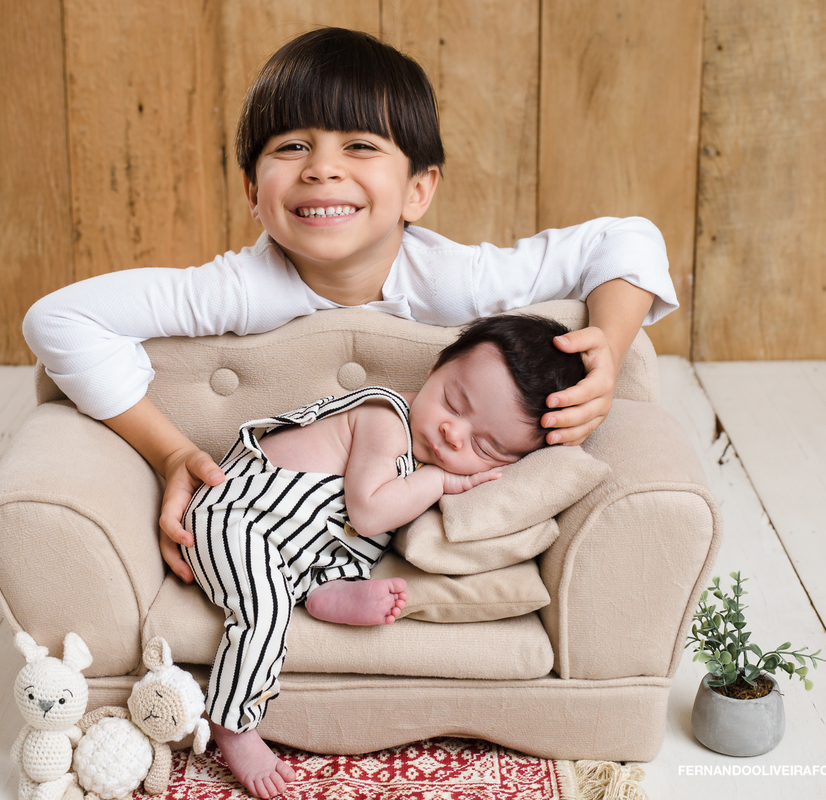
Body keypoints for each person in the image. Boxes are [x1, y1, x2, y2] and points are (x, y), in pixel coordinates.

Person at [23, 30, 674, 610]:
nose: (322, 168)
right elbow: (57, 320)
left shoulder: (456, 283)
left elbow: (627, 237)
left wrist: (608, 355)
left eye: (360, 145)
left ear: (418, 190)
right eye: (292, 145)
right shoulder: (237, 290)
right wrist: (172, 454)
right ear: (253, 193)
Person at [184, 314, 584, 798]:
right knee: (263, 610)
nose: (453, 434)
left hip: (296, 543)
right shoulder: (385, 418)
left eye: (485, 445)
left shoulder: (425, 450)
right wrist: (438, 480)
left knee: (348, 552)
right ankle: (233, 721)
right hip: (237, 516)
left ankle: (324, 589)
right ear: (435, 369)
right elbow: (369, 513)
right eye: (453, 402)